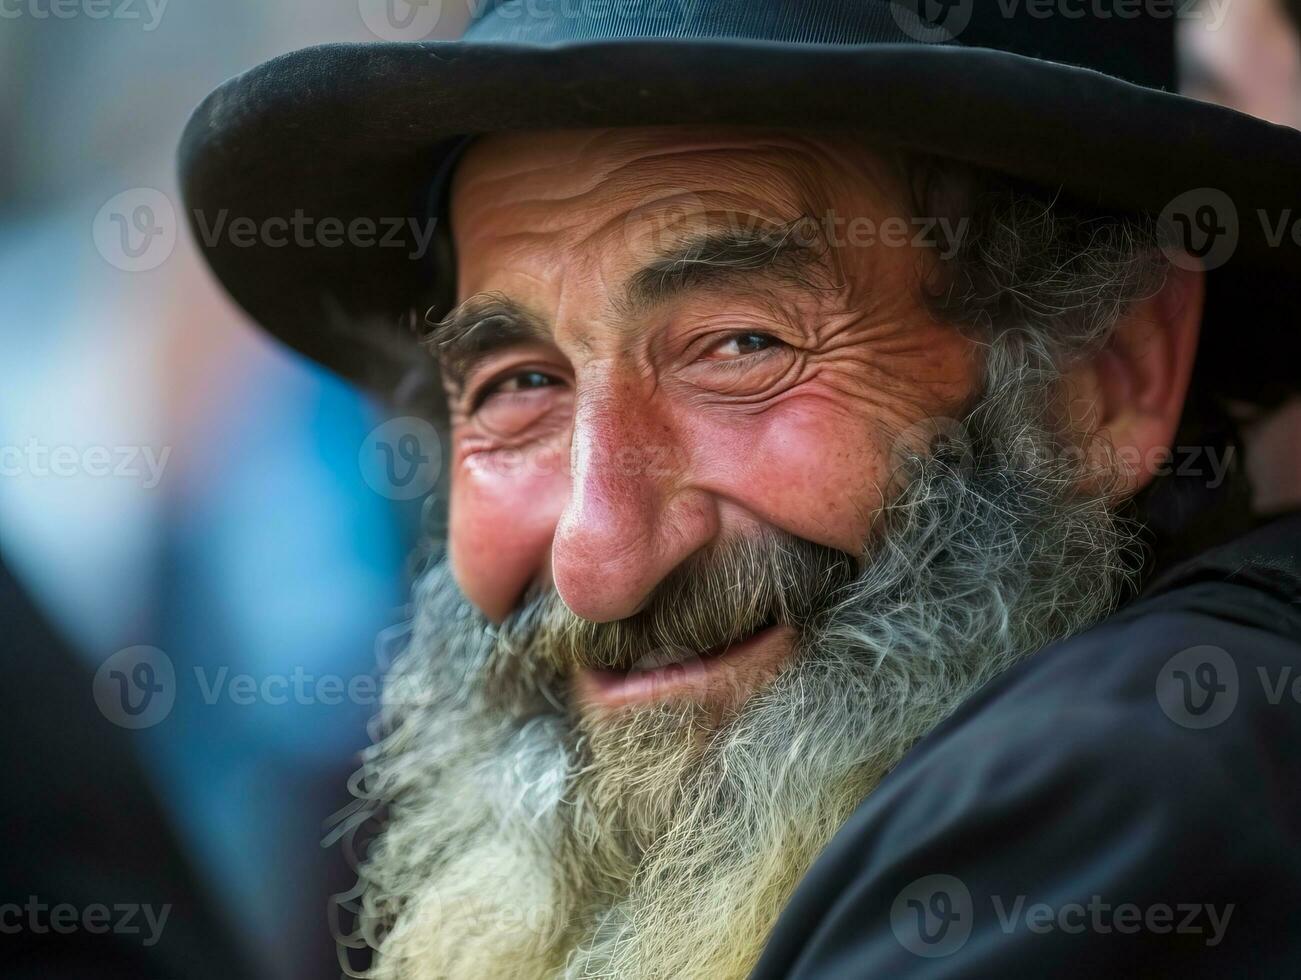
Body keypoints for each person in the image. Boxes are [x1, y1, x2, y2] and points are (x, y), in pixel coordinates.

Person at [179, 1, 1301, 976]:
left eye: (737, 345)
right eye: (519, 384)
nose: (598, 558)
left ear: (1105, 370)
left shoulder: (1110, 798)